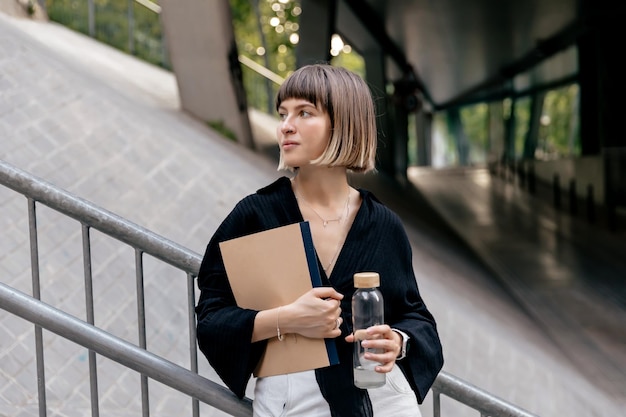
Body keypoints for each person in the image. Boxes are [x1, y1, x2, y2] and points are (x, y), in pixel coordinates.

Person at [195, 64, 443, 416]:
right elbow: (211, 318)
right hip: (293, 400)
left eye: (304, 112)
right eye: (283, 113)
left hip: (382, 399)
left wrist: (399, 342)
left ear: (343, 123)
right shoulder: (255, 216)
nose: (286, 125)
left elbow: (416, 317)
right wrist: (287, 318)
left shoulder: (382, 225)